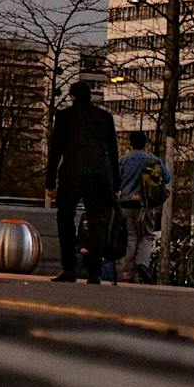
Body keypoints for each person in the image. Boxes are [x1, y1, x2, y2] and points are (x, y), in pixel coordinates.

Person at [45, 79, 121, 284]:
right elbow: (113, 152)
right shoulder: (105, 117)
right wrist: (116, 185)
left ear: (72, 96)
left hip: (72, 172)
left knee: (65, 219)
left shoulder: (64, 117)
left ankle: (69, 268)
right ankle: (95, 272)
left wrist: (49, 182)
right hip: (100, 174)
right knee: (97, 223)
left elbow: (56, 150)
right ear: (90, 96)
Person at [116, 128, 171, 282]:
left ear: (131, 143)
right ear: (145, 143)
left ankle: (127, 272)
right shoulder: (152, 160)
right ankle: (142, 265)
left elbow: (116, 180)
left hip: (126, 203)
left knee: (131, 236)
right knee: (146, 235)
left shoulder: (124, 160)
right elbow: (167, 178)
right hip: (145, 204)